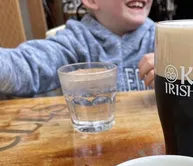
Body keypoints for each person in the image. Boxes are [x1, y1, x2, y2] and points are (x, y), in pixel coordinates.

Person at [0, 0, 155, 97]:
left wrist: (177, 75)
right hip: (94, 144)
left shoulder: (164, 38)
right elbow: (29, 65)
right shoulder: (75, 41)